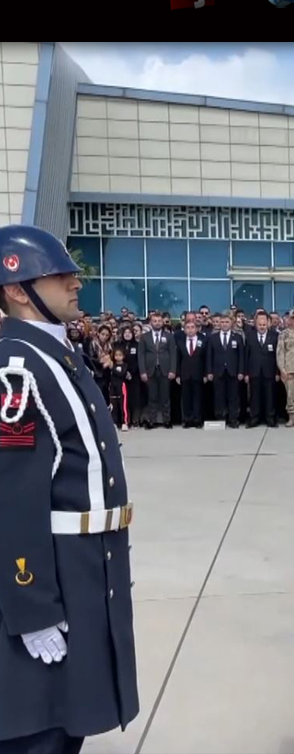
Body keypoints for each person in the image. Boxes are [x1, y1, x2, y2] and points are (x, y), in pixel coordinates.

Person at [0, 225, 139, 752]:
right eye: (60, 273)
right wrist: (31, 605)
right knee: (39, 729)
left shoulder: (57, 356)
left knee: (66, 724)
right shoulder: (17, 370)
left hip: (84, 565)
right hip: (50, 574)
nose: (75, 281)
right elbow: (12, 497)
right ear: (17, 288)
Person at [137, 312, 176, 429]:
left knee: (165, 397)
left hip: (165, 370)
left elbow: (173, 354)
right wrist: (142, 371)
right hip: (150, 370)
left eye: (159, 321)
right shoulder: (145, 337)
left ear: (162, 322)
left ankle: (167, 420)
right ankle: (152, 420)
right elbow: (141, 355)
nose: (157, 323)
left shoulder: (169, 336)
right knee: (152, 397)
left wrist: (173, 370)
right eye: (155, 321)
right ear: (151, 322)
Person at [244, 315, 280, 429]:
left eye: (264, 325)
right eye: (260, 325)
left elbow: (277, 356)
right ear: (256, 324)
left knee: (269, 396)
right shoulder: (250, 336)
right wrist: (246, 373)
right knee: (255, 397)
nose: (262, 327)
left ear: (268, 324)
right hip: (254, 371)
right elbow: (246, 356)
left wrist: (277, 372)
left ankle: (270, 418)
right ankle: (254, 418)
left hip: (269, 372)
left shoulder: (274, 336)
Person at [176, 319, 206, 428]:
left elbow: (205, 358)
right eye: (187, 328)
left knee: (198, 398)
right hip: (185, 374)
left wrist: (206, 374)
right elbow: (178, 359)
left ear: (196, 329)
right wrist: (178, 374)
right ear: (184, 330)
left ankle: (197, 419)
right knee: (186, 398)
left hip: (198, 373)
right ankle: (188, 419)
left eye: (192, 327)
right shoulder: (180, 341)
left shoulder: (203, 340)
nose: (190, 330)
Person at [109, 346, 133, 432]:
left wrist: (112, 368)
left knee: (123, 405)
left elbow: (121, 374)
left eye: (120, 355)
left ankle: (125, 422)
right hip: (113, 387)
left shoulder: (125, 365)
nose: (118, 357)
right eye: (116, 355)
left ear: (123, 356)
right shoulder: (113, 364)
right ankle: (114, 422)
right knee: (113, 405)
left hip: (122, 386)